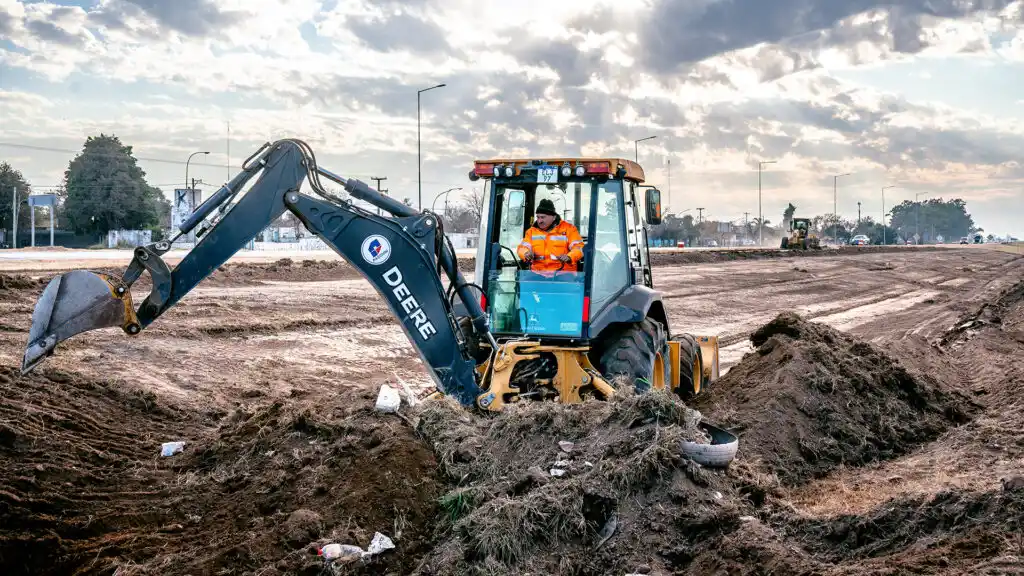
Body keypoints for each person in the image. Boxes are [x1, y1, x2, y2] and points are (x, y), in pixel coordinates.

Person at [517, 198, 585, 272]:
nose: (539, 221)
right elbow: (522, 248)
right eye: (538, 217)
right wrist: (525, 253)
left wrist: (569, 257)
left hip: (564, 274)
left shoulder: (569, 229)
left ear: (554, 217)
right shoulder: (531, 232)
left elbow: (578, 248)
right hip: (538, 274)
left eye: (543, 217)